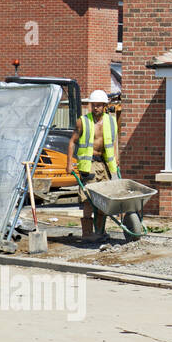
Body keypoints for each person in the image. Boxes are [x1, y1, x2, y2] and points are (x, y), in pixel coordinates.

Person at [66, 89, 119, 239]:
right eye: (93, 105)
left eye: (99, 105)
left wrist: (116, 157)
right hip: (88, 164)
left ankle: (100, 231)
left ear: (104, 106)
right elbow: (72, 142)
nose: (95, 108)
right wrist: (69, 163)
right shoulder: (83, 121)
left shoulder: (110, 121)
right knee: (88, 199)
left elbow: (113, 141)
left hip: (104, 164)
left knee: (103, 199)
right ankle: (87, 233)